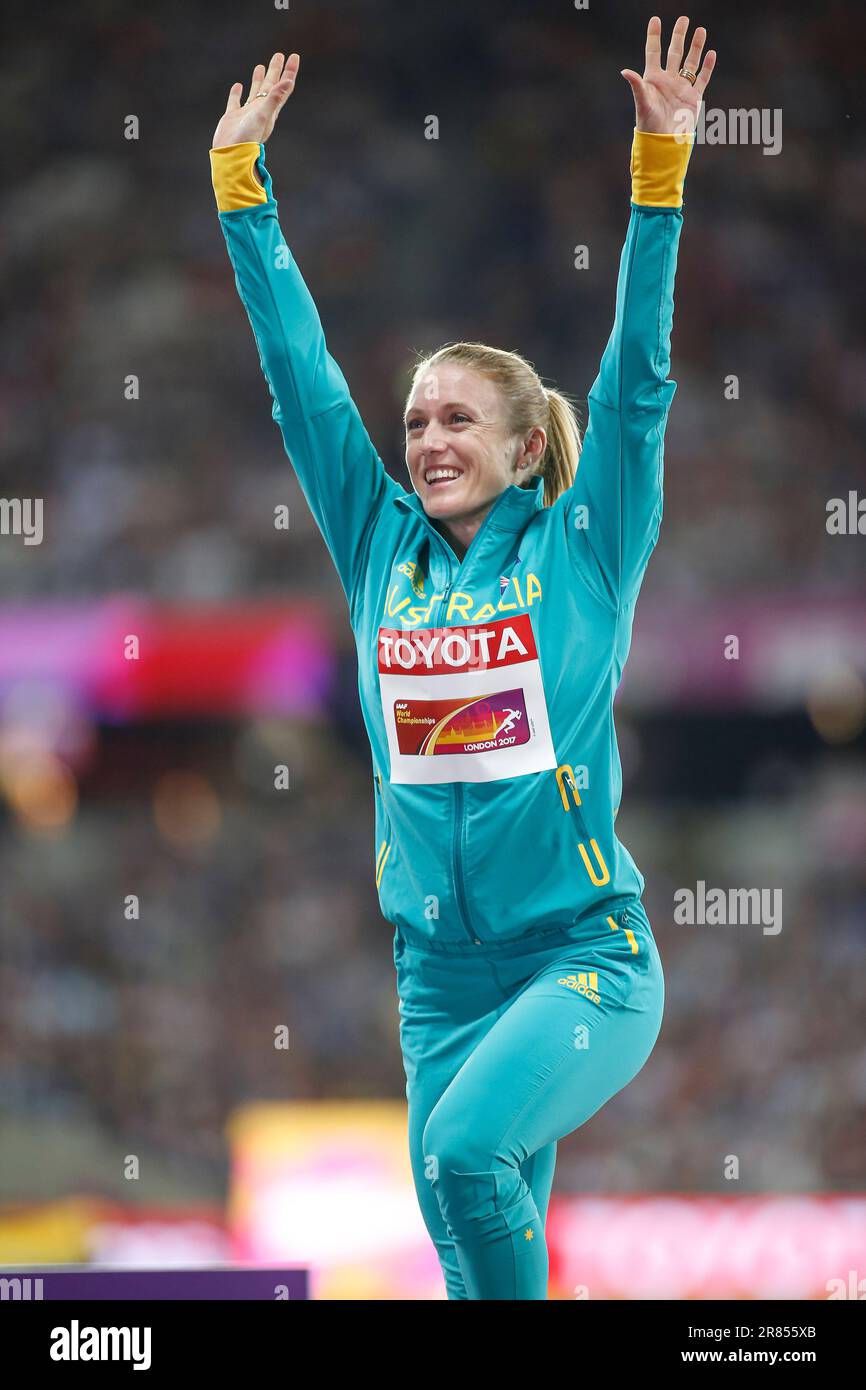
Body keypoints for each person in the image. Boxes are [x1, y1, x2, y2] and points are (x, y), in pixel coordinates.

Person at [210, 15, 716, 1300]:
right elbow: (298, 376)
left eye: (455, 419)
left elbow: (641, 380)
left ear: (525, 445)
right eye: (413, 419)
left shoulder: (587, 538)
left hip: (580, 958)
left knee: (457, 1154)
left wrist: (656, 182)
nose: (425, 438)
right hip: (434, 978)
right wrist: (240, 193)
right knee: (473, 1255)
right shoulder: (377, 545)